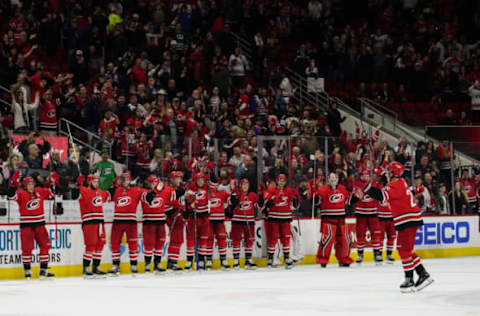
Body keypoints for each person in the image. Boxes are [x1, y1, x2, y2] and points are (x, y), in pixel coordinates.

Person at [364, 161, 434, 292]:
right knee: (407, 250)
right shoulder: (401, 182)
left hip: (407, 221)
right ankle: (421, 274)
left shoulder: (395, 185)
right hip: (409, 220)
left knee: (403, 251)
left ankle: (410, 279)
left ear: (392, 173)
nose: (386, 173)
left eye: (388, 171)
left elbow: (381, 196)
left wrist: (368, 189)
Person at [7, 173, 54, 279]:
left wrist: (52, 183)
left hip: (40, 224)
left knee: (45, 246)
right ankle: (27, 271)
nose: (31, 186)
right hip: (26, 225)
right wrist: (13, 184)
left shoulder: (39, 191)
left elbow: (52, 194)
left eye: (32, 184)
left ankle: (43, 270)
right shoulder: (21, 193)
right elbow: (10, 195)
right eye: (28, 184)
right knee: (27, 249)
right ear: (24, 186)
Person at [74, 174, 110, 278]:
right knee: (90, 246)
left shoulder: (100, 192)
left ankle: (96, 267)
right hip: (89, 222)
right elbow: (76, 193)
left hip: (100, 222)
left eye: (97, 182)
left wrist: (116, 185)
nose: (97, 184)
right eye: (94, 182)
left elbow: (109, 195)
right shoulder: (84, 191)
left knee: (100, 245)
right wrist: (78, 184)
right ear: (89, 182)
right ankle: (86, 268)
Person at [315, 173, 354, 267]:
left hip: (341, 218)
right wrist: (314, 193)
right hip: (328, 218)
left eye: (335, 177)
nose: (333, 180)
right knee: (327, 239)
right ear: (328, 179)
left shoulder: (342, 188)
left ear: (338, 179)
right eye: (331, 178)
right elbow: (317, 201)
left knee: (345, 239)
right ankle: (322, 259)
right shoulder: (322, 189)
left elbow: (348, 200)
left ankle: (344, 259)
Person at [109, 172, 143, 276]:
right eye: (123, 179)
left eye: (127, 179)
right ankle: (115, 265)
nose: (125, 181)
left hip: (131, 221)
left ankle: (133, 265)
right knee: (115, 243)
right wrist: (113, 185)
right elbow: (105, 195)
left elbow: (149, 196)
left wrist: (155, 190)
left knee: (133, 243)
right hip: (117, 221)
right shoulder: (116, 191)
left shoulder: (136, 190)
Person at [263, 174, 299, 269]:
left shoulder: (288, 191)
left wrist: (296, 198)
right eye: (280, 180)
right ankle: (270, 258)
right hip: (274, 217)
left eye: (283, 180)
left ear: (285, 182)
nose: (281, 182)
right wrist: (273, 199)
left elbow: (295, 205)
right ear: (276, 181)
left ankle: (287, 258)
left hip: (286, 218)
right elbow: (266, 203)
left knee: (286, 238)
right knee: (273, 238)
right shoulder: (271, 190)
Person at [348, 170, 382, 264]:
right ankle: (360, 254)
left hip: (373, 213)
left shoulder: (375, 186)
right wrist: (355, 195)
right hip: (360, 213)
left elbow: (380, 198)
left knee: (375, 234)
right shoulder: (357, 187)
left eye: (367, 175)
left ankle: (377, 253)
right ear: (361, 177)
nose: (366, 177)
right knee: (360, 235)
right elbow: (351, 201)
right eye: (364, 175)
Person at [185, 172, 214, 270]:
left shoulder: (208, 188)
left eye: (202, 179)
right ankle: (189, 261)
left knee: (203, 239)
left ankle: (201, 260)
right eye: (198, 180)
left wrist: (210, 171)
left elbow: (215, 182)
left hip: (204, 217)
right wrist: (190, 205)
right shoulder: (191, 189)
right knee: (191, 239)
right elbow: (186, 200)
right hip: (194, 217)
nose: (200, 181)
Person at [229, 179, 259, 269]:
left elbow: (257, 206)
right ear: (240, 186)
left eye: (246, 184)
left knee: (249, 240)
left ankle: (248, 260)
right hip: (237, 220)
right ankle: (236, 260)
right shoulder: (236, 194)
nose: (245, 186)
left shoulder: (253, 195)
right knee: (236, 240)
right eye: (243, 184)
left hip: (249, 221)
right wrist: (235, 196)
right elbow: (232, 205)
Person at [142, 176, 167, 274]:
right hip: (149, 222)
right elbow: (149, 198)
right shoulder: (144, 193)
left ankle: (157, 263)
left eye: (156, 183)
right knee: (149, 243)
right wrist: (156, 190)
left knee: (160, 243)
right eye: (153, 183)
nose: (155, 185)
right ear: (149, 184)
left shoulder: (163, 193)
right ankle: (147, 263)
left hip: (160, 221)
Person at [162, 171, 186, 271]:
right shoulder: (168, 189)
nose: (178, 180)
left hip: (179, 219)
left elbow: (182, 203)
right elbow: (166, 206)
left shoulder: (178, 189)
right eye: (176, 178)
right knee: (176, 239)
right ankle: (172, 262)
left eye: (179, 178)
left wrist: (184, 214)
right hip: (173, 218)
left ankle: (173, 260)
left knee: (179, 240)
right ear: (171, 179)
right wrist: (173, 215)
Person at [206, 185, 230, 270]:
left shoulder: (222, 193)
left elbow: (230, 198)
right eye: (211, 184)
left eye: (215, 184)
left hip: (220, 220)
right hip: (209, 220)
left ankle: (223, 259)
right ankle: (209, 260)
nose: (213, 186)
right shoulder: (206, 194)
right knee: (209, 239)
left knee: (222, 238)